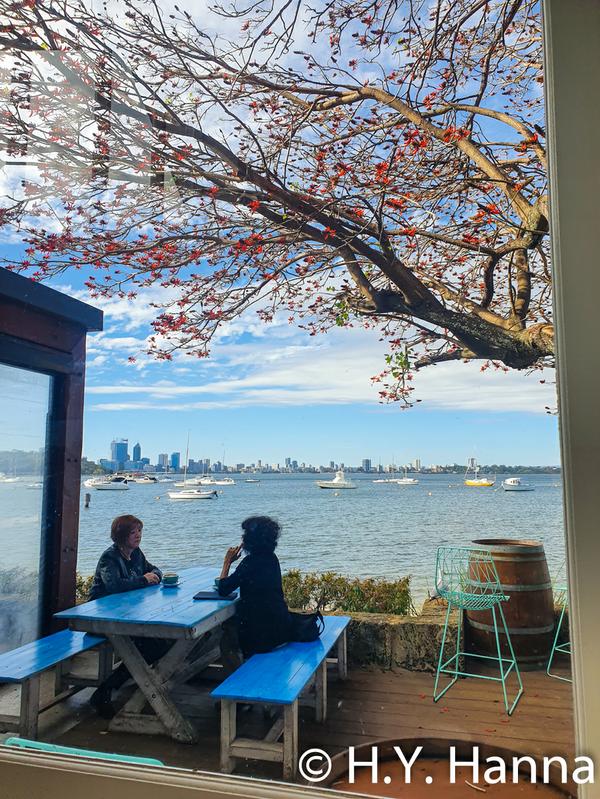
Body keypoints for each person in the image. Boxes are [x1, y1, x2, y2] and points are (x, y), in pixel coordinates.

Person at [88, 515, 168, 719]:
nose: (138, 536)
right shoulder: (110, 557)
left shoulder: (136, 553)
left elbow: (154, 569)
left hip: (128, 616)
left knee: (159, 643)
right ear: (122, 535)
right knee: (152, 646)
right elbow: (114, 586)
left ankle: (116, 686)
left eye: (140, 531)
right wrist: (143, 579)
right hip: (102, 618)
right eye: (133, 532)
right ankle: (106, 691)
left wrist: (154, 575)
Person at [216, 515, 293, 659]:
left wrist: (227, 562)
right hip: (282, 629)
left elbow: (223, 589)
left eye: (245, 534)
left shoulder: (249, 562)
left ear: (251, 540)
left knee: (227, 635)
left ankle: (237, 674)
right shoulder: (272, 558)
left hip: (261, 638)